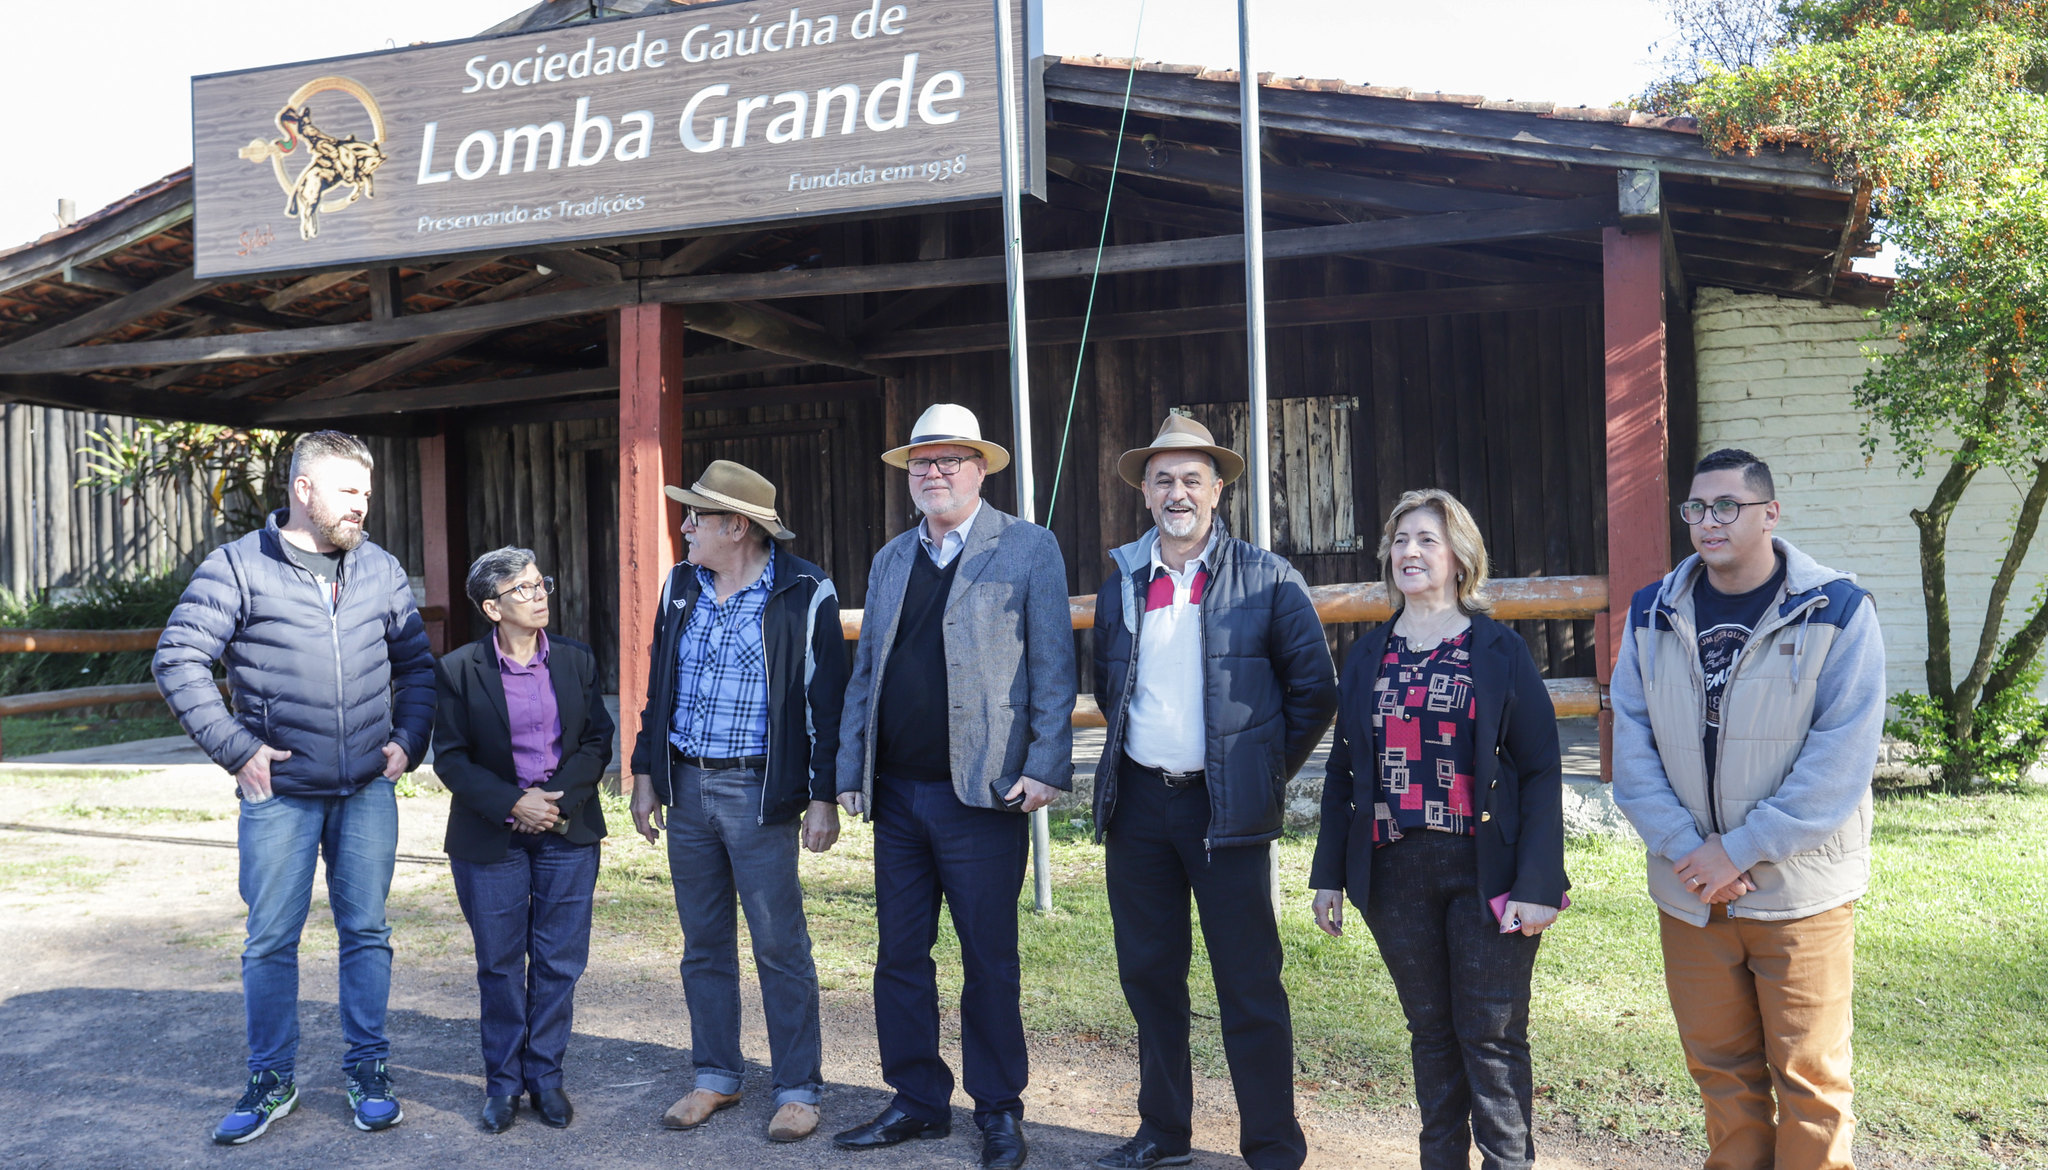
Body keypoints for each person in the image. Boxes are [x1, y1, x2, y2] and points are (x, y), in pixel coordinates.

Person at [153, 430, 434, 1145]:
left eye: (366, 493)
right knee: (270, 940)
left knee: (367, 933)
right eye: (348, 491)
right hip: (279, 794)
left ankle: (368, 1069)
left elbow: (419, 668)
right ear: (303, 491)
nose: (361, 507)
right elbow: (179, 657)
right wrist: (236, 749)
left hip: (366, 790)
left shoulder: (379, 568)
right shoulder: (238, 567)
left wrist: (408, 740)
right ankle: (271, 1079)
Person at [1611, 449, 1883, 1170]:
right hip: (1692, 894)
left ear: (1770, 513)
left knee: (1811, 1082)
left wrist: (1739, 850)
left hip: (1797, 895)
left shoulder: (1839, 610)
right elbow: (1631, 751)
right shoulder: (1650, 612)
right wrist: (1689, 850)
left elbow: (1840, 763)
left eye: (1727, 506)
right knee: (1722, 1079)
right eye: (1696, 508)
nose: (1708, 522)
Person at [1088, 415, 1338, 1170]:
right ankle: (1163, 1132)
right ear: (1144, 491)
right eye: (1162, 479)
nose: (1177, 492)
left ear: (1219, 488)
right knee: (1149, 976)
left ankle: (1270, 1148)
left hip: (1223, 811)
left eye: (1192, 478)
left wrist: (1259, 772)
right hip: (1138, 806)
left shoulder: (1267, 578)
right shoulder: (1125, 578)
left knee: (1249, 984)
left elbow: (1314, 692)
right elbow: (1109, 684)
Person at [832, 403, 1075, 1170]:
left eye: (948, 460)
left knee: (989, 961)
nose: (933, 473)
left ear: (980, 469)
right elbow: (866, 668)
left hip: (983, 793)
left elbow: (1054, 668)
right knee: (899, 956)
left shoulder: (1029, 547)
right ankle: (916, 1100)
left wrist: (1046, 762)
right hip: (898, 795)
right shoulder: (892, 557)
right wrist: (849, 768)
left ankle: (998, 1109)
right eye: (921, 462)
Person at [1308, 488, 1568, 1170]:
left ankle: (1510, 1163)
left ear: (1459, 558)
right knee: (1430, 1032)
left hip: (1486, 870)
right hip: (1393, 873)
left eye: (1426, 538)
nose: (1409, 552)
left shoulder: (1499, 650)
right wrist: (1329, 874)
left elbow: (1541, 770)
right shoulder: (1367, 655)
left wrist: (1539, 883)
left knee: (1490, 1032)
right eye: (1399, 540)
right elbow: (1344, 773)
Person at [626, 459, 850, 1144]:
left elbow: (825, 703)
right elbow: (657, 686)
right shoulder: (680, 586)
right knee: (703, 944)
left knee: (780, 943)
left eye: (697, 516)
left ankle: (797, 1088)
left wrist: (821, 796)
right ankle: (716, 1077)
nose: (685, 526)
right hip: (687, 787)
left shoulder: (805, 590)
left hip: (759, 792)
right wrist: (644, 771)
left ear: (738, 526)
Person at [432, 547, 615, 1133]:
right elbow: (452, 760)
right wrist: (514, 803)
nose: (539, 597)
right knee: (502, 964)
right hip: (491, 836)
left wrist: (552, 803)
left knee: (560, 962)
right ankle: (504, 1085)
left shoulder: (575, 659)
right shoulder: (460, 669)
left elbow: (595, 742)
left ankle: (546, 1078)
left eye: (541, 585)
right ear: (492, 607)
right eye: (523, 590)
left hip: (568, 827)